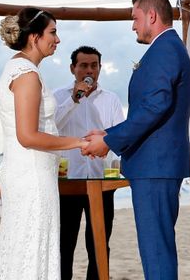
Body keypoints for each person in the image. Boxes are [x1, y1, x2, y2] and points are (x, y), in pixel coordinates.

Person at [83, 0, 190, 280]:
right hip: (156, 166)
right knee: (156, 249)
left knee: (156, 253)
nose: (132, 25)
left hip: (155, 167)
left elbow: (156, 106)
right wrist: (108, 132)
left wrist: (108, 141)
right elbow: (151, 110)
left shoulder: (165, 50)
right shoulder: (168, 49)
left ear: (152, 15)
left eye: (135, 18)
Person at [0, 8, 88, 279]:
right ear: (34, 37)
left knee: (26, 248)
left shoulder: (18, 67)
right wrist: (78, 142)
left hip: (27, 174)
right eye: (53, 32)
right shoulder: (26, 74)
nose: (58, 40)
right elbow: (27, 136)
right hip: (32, 180)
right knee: (33, 249)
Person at [54, 46, 124, 280]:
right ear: (73, 68)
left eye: (94, 65)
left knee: (98, 246)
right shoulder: (58, 97)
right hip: (68, 184)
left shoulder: (111, 99)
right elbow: (53, 130)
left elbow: (120, 139)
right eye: (83, 65)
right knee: (64, 247)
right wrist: (74, 99)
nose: (89, 70)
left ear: (100, 69)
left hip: (101, 184)